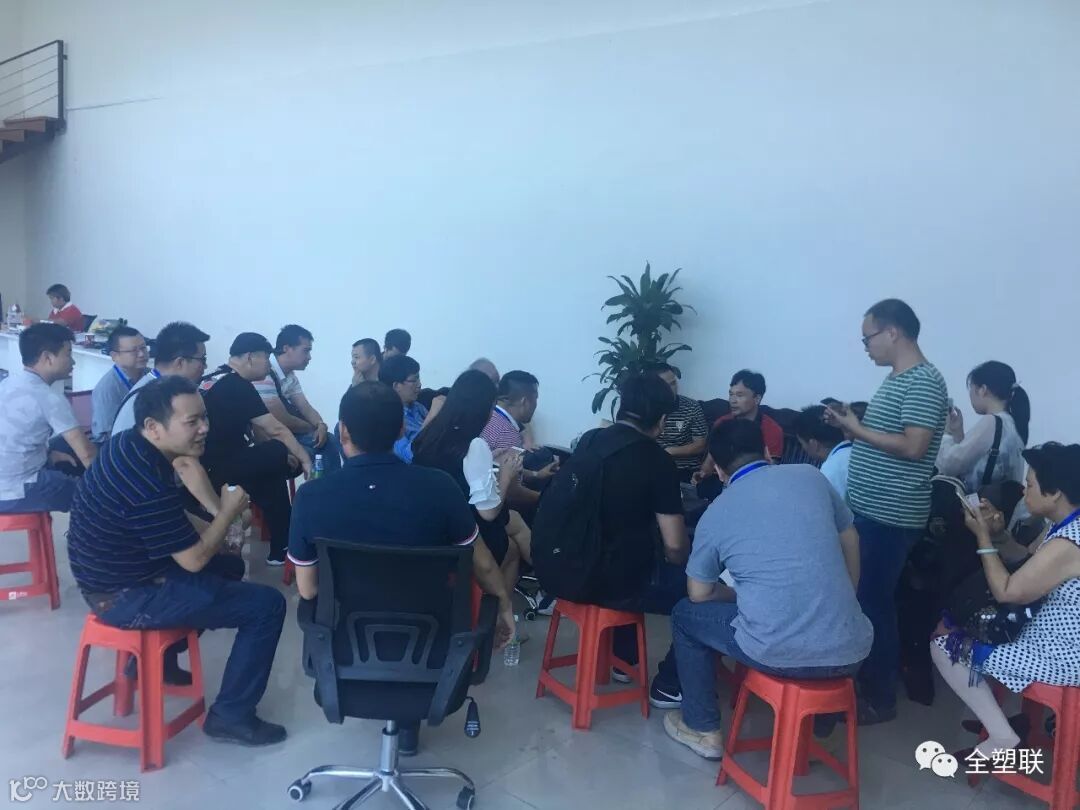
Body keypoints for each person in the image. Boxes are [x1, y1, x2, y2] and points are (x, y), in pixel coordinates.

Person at [287, 381, 514, 756]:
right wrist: (503, 605)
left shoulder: (311, 497)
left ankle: (399, 721)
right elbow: (484, 565)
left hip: (345, 654)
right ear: (401, 429)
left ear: (343, 431)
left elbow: (308, 590)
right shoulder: (439, 488)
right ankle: (406, 724)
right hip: (433, 654)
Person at [67, 376, 287, 746]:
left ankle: (157, 662)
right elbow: (193, 561)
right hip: (122, 596)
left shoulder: (130, 445)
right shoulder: (143, 479)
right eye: (192, 422)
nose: (204, 428)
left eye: (205, 418)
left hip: (115, 575)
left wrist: (220, 526)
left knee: (230, 567)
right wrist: (227, 513)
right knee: (267, 606)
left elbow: (176, 520)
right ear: (154, 427)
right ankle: (230, 716)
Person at [664, 420, 872, 759]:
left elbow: (699, 594)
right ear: (766, 452)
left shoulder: (716, 513)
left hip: (777, 653)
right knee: (827, 626)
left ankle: (702, 728)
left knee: (684, 615)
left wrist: (737, 595)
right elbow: (850, 535)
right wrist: (847, 594)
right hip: (853, 647)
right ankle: (818, 727)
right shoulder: (810, 476)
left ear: (719, 470)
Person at [825, 298, 948, 724]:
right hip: (872, 510)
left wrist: (857, 429)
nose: (865, 347)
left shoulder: (924, 381)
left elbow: (914, 447)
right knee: (866, 598)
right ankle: (867, 683)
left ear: (892, 332)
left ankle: (879, 698)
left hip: (890, 515)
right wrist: (851, 426)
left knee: (872, 602)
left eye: (868, 338)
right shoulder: (899, 378)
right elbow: (889, 437)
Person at [932, 442, 1080, 760]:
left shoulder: (1070, 542)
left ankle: (1002, 736)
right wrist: (998, 534)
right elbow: (1028, 562)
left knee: (944, 645)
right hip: (1052, 635)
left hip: (1065, 654)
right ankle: (1006, 720)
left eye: (1030, 485)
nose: (1025, 493)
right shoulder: (1065, 525)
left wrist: (983, 536)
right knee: (958, 627)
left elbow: (1007, 591)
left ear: (1055, 493)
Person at [565, 372, 691, 709]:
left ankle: (624, 658)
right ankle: (669, 685)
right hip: (614, 582)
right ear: (661, 420)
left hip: (569, 570)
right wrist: (688, 565)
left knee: (625, 551)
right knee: (701, 591)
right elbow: (675, 546)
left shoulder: (589, 441)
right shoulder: (657, 461)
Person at [413, 370, 534, 593]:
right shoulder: (474, 445)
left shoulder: (429, 435)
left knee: (513, 532)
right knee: (510, 539)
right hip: (466, 533)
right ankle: (504, 606)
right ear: (482, 409)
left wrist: (489, 459)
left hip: (430, 529)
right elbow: (489, 513)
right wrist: (506, 474)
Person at [202, 333, 312, 565]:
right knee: (276, 453)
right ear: (250, 357)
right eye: (266, 357)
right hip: (217, 468)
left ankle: (281, 546)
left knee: (270, 471)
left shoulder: (214, 377)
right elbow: (276, 428)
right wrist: (304, 459)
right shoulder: (237, 385)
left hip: (210, 464)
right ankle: (283, 545)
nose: (269, 364)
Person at [0, 323, 96, 513]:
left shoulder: (8, 383)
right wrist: (110, 486)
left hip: (7, 481)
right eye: (68, 354)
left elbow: (16, 436)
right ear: (47, 358)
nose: (73, 362)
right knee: (95, 497)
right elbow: (86, 453)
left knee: (61, 452)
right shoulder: (50, 397)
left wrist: (48, 455)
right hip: (15, 492)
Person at [252, 324, 341, 472]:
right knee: (322, 447)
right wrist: (312, 428)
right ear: (287, 348)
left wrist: (320, 425)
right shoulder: (265, 372)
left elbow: (305, 406)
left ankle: (326, 484)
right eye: (306, 350)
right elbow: (281, 418)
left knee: (326, 440)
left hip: (283, 433)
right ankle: (326, 485)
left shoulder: (290, 376)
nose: (309, 357)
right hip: (266, 437)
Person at [938, 361, 1030, 493]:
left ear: (983, 390)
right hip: (999, 504)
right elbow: (967, 460)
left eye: (971, 389)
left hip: (979, 503)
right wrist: (957, 432)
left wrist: (946, 434)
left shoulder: (991, 422)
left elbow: (950, 465)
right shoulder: (1013, 425)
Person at [112, 322, 210, 434]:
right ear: (180, 362)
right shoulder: (152, 399)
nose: (205, 366)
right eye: (203, 359)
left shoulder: (156, 386)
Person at [481, 371, 558, 512]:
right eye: (535, 398)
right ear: (524, 401)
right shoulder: (508, 435)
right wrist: (546, 499)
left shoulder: (488, 416)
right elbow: (511, 492)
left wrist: (536, 475)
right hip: (493, 508)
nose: (536, 404)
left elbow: (503, 469)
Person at [695, 370, 784, 482]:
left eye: (739, 395)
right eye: (731, 394)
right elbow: (707, 467)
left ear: (757, 398)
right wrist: (701, 475)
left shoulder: (772, 430)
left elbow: (769, 473)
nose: (732, 401)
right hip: (719, 480)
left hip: (754, 482)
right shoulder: (722, 423)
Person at [90, 326, 150, 444]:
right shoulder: (107, 389)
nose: (141, 354)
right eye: (133, 351)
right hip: (117, 444)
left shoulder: (150, 376)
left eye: (143, 348)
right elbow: (108, 435)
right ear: (114, 356)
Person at [649, 363, 708, 481]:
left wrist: (668, 451)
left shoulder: (691, 407)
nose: (672, 389)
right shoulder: (646, 408)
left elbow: (700, 445)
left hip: (684, 469)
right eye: (665, 386)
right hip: (652, 467)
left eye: (673, 383)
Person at [378, 354, 429, 463]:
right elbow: (407, 456)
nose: (419, 384)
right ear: (396, 386)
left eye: (419, 378)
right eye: (414, 380)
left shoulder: (418, 407)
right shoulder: (388, 418)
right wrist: (431, 418)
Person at [794, 405, 852, 498]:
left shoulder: (829, 471)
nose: (803, 448)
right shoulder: (855, 453)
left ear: (814, 444)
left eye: (802, 444)